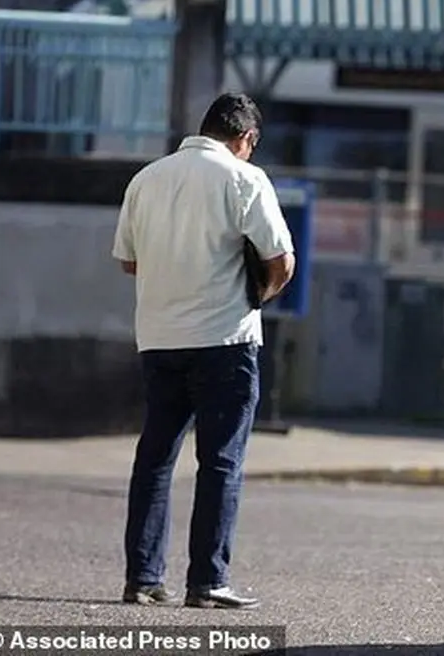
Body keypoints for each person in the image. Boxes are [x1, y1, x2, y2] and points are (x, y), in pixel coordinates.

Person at [112, 92, 295, 609]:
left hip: (160, 338)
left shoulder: (147, 178)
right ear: (247, 139)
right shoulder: (245, 179)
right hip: (225, 341)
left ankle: (143, 578)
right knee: (220, 462)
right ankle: (208, 581)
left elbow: (128, 261)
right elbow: (280, 260)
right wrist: (256, 296)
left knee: (155, 458)